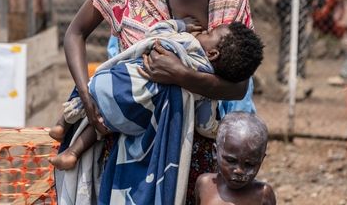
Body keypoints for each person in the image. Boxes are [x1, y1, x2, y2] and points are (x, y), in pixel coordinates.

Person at [55, 0, 256, 205]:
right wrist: (86, 96)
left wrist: (181, 75)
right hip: (126, 138)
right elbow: (75, 33)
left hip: (193, 149)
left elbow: (238, 86)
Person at [48, 18, 264, 171]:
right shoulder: (206, 89)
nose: (203, 32)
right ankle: (72, 154)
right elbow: (204, 124)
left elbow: (156, 32)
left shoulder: (188, 42)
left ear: (213, 53)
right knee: (105, 125)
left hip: (118, 86)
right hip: (135, 120)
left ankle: (62, 125)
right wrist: (216, 129)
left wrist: (181, 25)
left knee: (93, 94)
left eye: (209, 33)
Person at [194, 112, 276, 205]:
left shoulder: (262, 194)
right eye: (231, 161)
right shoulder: (205, 184)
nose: (239, 171)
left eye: (250, 164)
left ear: (261, 159)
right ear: (215, 152)